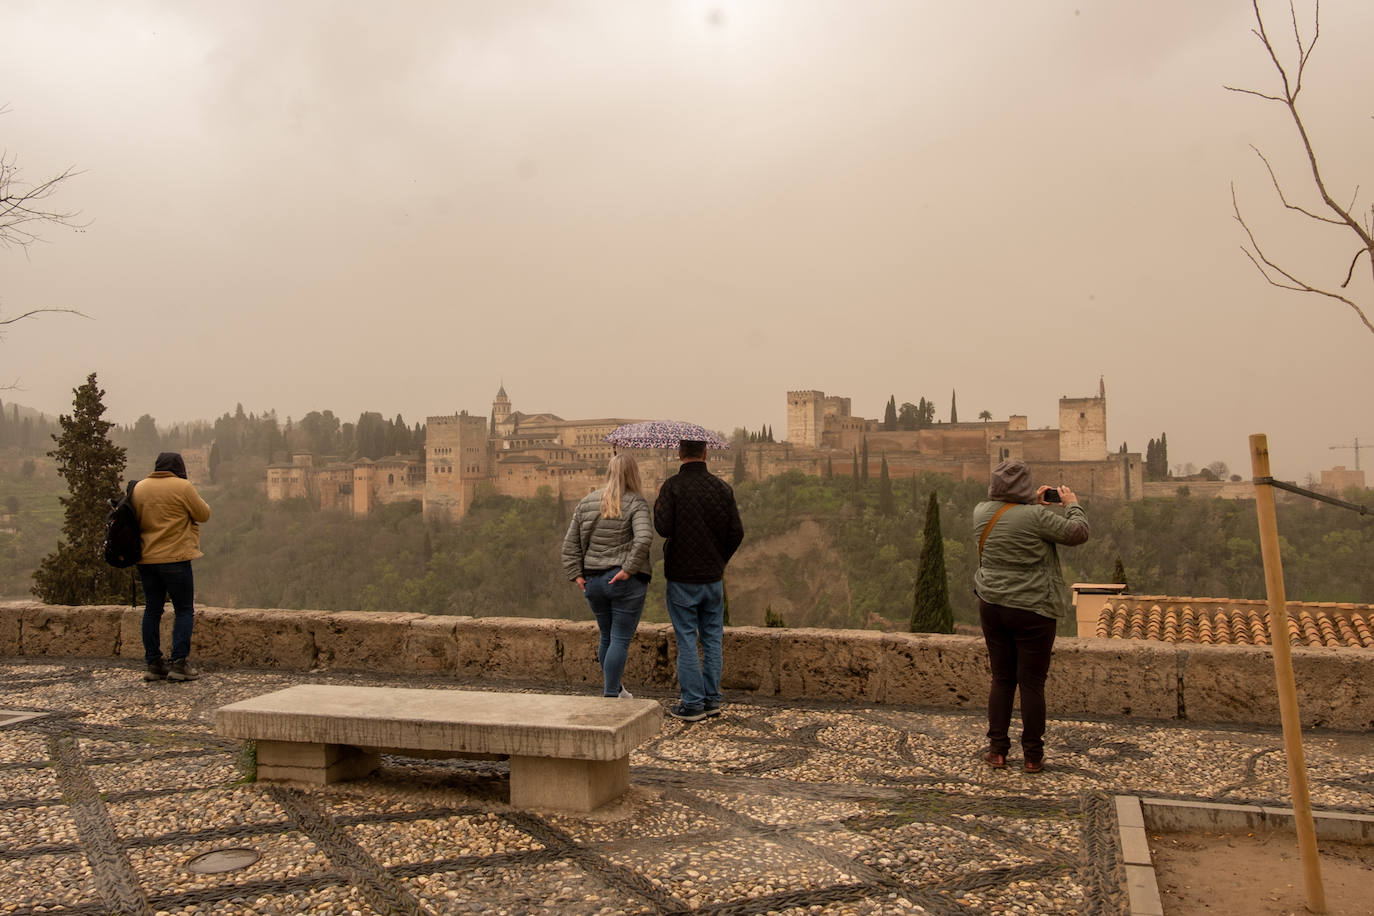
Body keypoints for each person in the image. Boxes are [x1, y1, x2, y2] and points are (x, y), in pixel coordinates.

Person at [972, 459, 1089, 772]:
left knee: (1002, 678)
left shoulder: (981, 512)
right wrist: (1072, 504)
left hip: (992, 605)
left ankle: (997, 750)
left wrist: (1028, 503)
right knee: (1032, 683)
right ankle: (1032, 756)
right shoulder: (1038, 517)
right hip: (1033, 608)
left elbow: (1012, 520)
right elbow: (1078, 533)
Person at [653, 439, 744, 721]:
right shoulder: (722, 488)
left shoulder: (672, 487)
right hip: (712, 578)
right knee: (713, 639)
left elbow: (663, 528)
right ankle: (712, 700)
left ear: (679, 453)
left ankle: (692, 703)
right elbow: (736, 533)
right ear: (705, 453)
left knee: (687, 640)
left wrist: (660, 501)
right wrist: (719, 560)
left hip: (681, 576)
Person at [561, 454, 653, 699]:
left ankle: (617, 690)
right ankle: (611, 694)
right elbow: (644, 537)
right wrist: (629, 569)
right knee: (620, 638)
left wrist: (576, 574)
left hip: (593, 580)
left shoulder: (587, 502)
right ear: (634, 474)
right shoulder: (636, 503)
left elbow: (570, 544)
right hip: (623, 581)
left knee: (606, 636)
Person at [133, 452, 211, 682]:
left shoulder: (139, 488)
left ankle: (154, 663)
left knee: (152, 609)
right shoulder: (182, 487)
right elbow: (203, 514)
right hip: (176, 558)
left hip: (147, 560)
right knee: (184, 610)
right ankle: (179, 663)